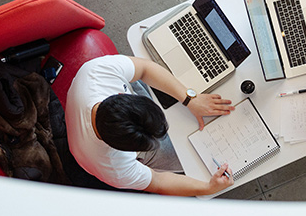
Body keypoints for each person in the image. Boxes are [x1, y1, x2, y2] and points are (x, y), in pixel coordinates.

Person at [66, 54, 234, 195]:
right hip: (100, 153)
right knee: (194, 155)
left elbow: (145, 68)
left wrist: (190, 99)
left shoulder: (97, 72)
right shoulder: (115, 167)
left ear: (122, 94)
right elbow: (158, 181)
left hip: (106, 123)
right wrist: (208, 187)